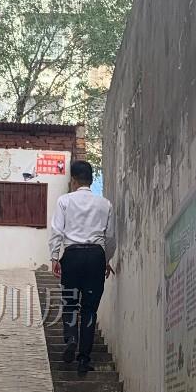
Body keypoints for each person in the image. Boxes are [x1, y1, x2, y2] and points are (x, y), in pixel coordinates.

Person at [50, 159, 116, 376]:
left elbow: (57, 231)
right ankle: (84, 359)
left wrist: (54, 257)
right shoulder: (105, 204)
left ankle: (71, 338)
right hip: (95, 256)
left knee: (70, 303)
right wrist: (106, 259)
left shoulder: (64, 201)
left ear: (74, 180)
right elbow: (110, 237)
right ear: (91, 180)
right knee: (89, 309)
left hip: (72, 255)